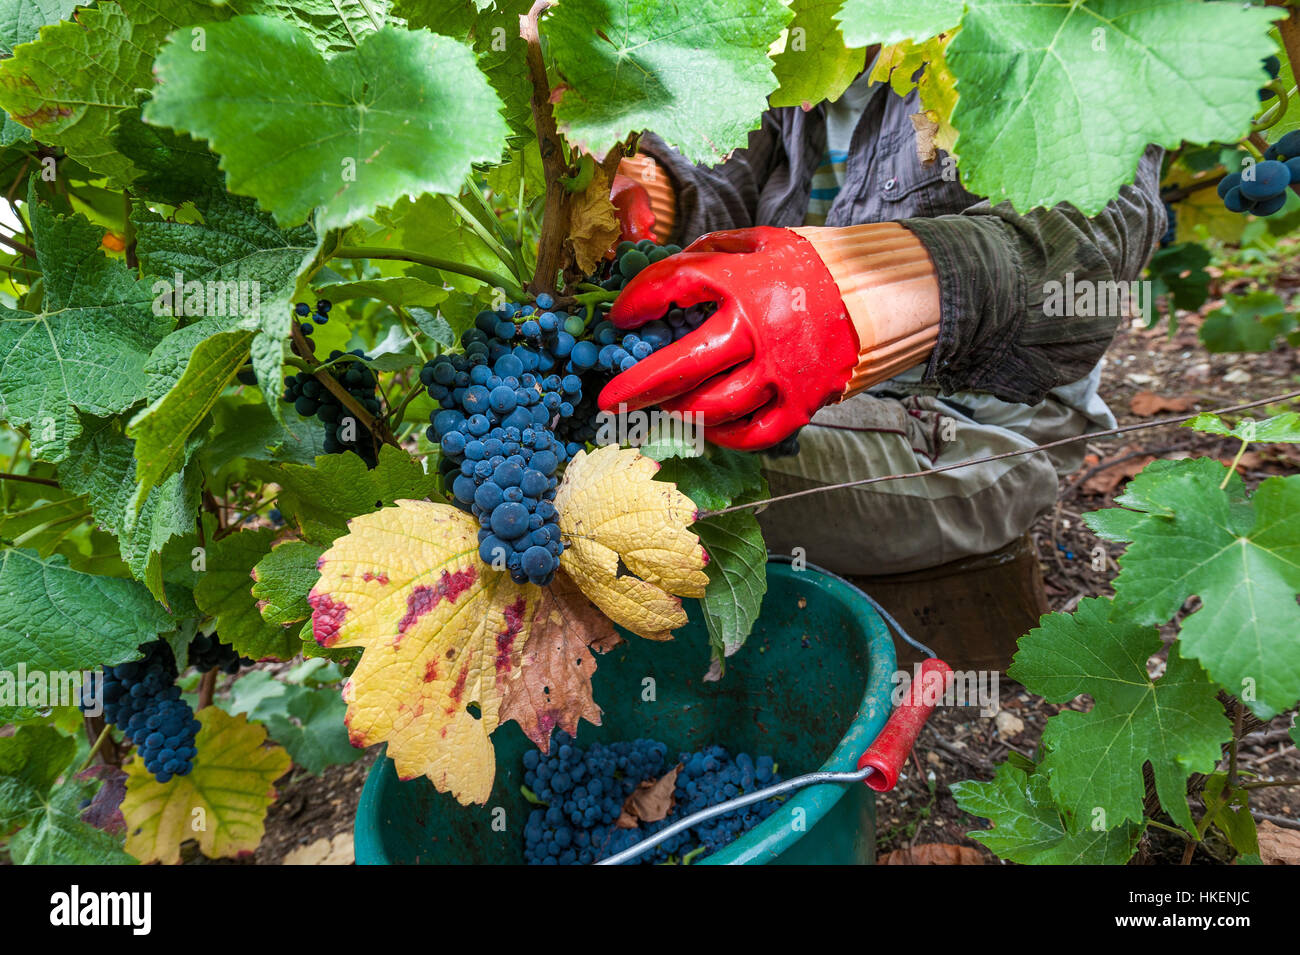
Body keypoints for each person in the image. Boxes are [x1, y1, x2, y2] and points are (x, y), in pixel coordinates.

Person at [598, 61, 1165, 577]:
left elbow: (1101, 231)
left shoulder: (1025, 33)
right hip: (837, 401)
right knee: (601, 443)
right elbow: (730, 161)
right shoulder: (808, 43)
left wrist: (865, 291)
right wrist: (655, 190)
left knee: (621, 475)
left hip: (979, 437)